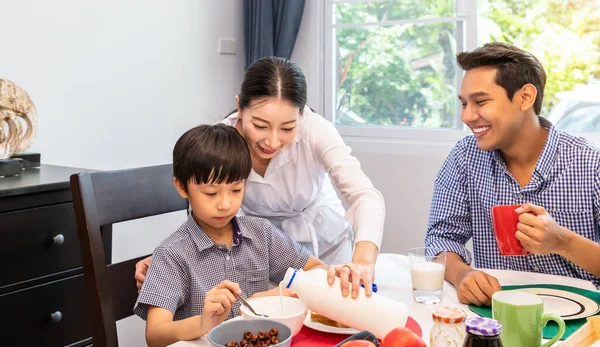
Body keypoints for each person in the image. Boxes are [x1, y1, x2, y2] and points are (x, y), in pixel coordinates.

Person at [136, 56, 386, 298]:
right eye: (260, 125)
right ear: (239, 108)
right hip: (258, 251)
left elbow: (365, 197)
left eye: (287, 128)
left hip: (325, 247)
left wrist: (363, 261)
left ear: (301, 116)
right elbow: (208, 215)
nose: (272, 141)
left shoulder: (317, 131)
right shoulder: (221, 142)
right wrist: (174, 260)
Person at [425, 42, 600, 306]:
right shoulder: (465, 156)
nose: (468, 115)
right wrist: (462, 274)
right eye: (464, 104)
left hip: (584, 320)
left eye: (480, 102)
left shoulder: (589, 162)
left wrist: (561, 241)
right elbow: (441, 238)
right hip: (496, 314)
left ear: (525, 97)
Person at [134, 124, 327, 347]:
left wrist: (271, 296)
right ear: (182, 187)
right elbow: (155, 335)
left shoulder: (261, 233)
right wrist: (204, 322)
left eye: (236, 190)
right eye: (211, 193)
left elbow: (317, 271)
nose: (226, 204)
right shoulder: (172, 255)